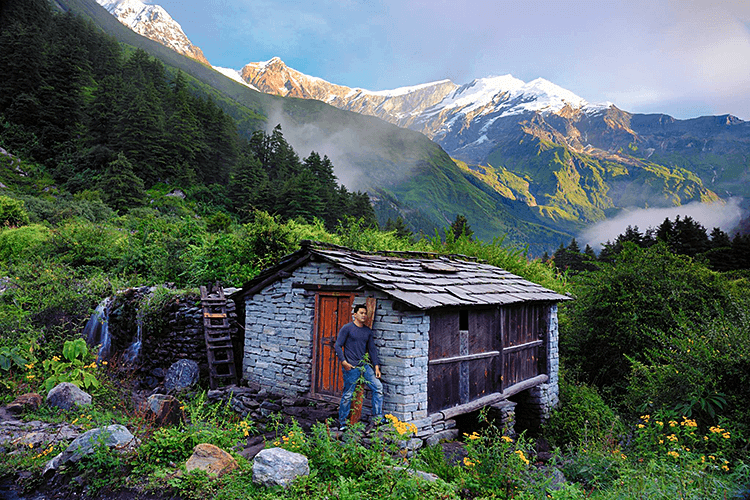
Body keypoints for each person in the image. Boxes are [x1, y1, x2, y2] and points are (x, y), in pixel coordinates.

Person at [334, 303, 384, 430]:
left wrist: (376, 366)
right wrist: (344, 362)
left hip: (364, 366)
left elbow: (372, 350)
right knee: (348, 395)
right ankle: (343, 422)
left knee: (378, 387)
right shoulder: (347, 328)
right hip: (351, 367)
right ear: (354, 314)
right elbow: (338, 345)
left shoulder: (367, 331)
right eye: (361, 313)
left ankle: (377, 417)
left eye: (365, 313)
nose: (364, 315)